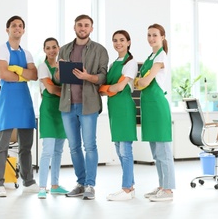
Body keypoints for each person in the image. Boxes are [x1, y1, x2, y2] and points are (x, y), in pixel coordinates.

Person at [55, 14, 109, 200]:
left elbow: (103, 76)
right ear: (74, 27)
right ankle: (80, 182)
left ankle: (90, 186)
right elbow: (57, 79)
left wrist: (89, 77)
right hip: (67, 106)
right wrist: (59, 70)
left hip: (89, 105)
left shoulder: (100, 50)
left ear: (91, 29)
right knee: (74, 147)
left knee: (90, 146)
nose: (83, 28)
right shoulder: (64, 50)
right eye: (80, 25)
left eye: (86, 25)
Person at [0, 15, 39, 197]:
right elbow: (3, 74)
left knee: (26, 144)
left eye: (20, 26)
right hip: (9, 98)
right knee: (2, 144)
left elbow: (34, 75)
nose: (17, 28)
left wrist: (17, 71)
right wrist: (23, 74)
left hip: (24, 99)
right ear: (7, 29)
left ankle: (27, 180)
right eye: (13, 26)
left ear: (23, 30)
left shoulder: (27, 53)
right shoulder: (1, 50)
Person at [134, 23, 176, 202]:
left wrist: (139, 81)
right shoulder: (152, 56)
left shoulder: (161, 57)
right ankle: (162, 185)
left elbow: (143, 83)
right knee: (156, 152)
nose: (151, 38)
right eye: (149, 35)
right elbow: (140, 82)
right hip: (148, 107)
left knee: (164, 150)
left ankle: (168, 190)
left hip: (157, 106)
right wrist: (140, 81)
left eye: (155, 35)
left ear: (162, 37)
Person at [99, 30, 138, 201]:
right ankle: (129, 186)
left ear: (128, 42)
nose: (118, 43)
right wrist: (108, 89)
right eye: (115, 40)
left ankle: (126, 189)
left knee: (125, 150)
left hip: (124, 108)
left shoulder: (131, 63)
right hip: (114, 108)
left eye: (122, 40)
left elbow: (119, 87)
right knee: (118, 148)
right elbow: (110, 87)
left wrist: (105, 89)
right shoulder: (114, 63)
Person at [37, 37, 69, 199]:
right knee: (47, 150)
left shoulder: (63, 66)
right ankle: (42, 187)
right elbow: (50, 89)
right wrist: (65, 92)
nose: (51, 50)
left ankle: (55, 185)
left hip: (62, 110)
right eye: (48, 48)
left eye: (54, 47)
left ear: (59, 48)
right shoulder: (43, 67)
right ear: (44, 50)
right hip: (49, 111)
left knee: (58, 151)